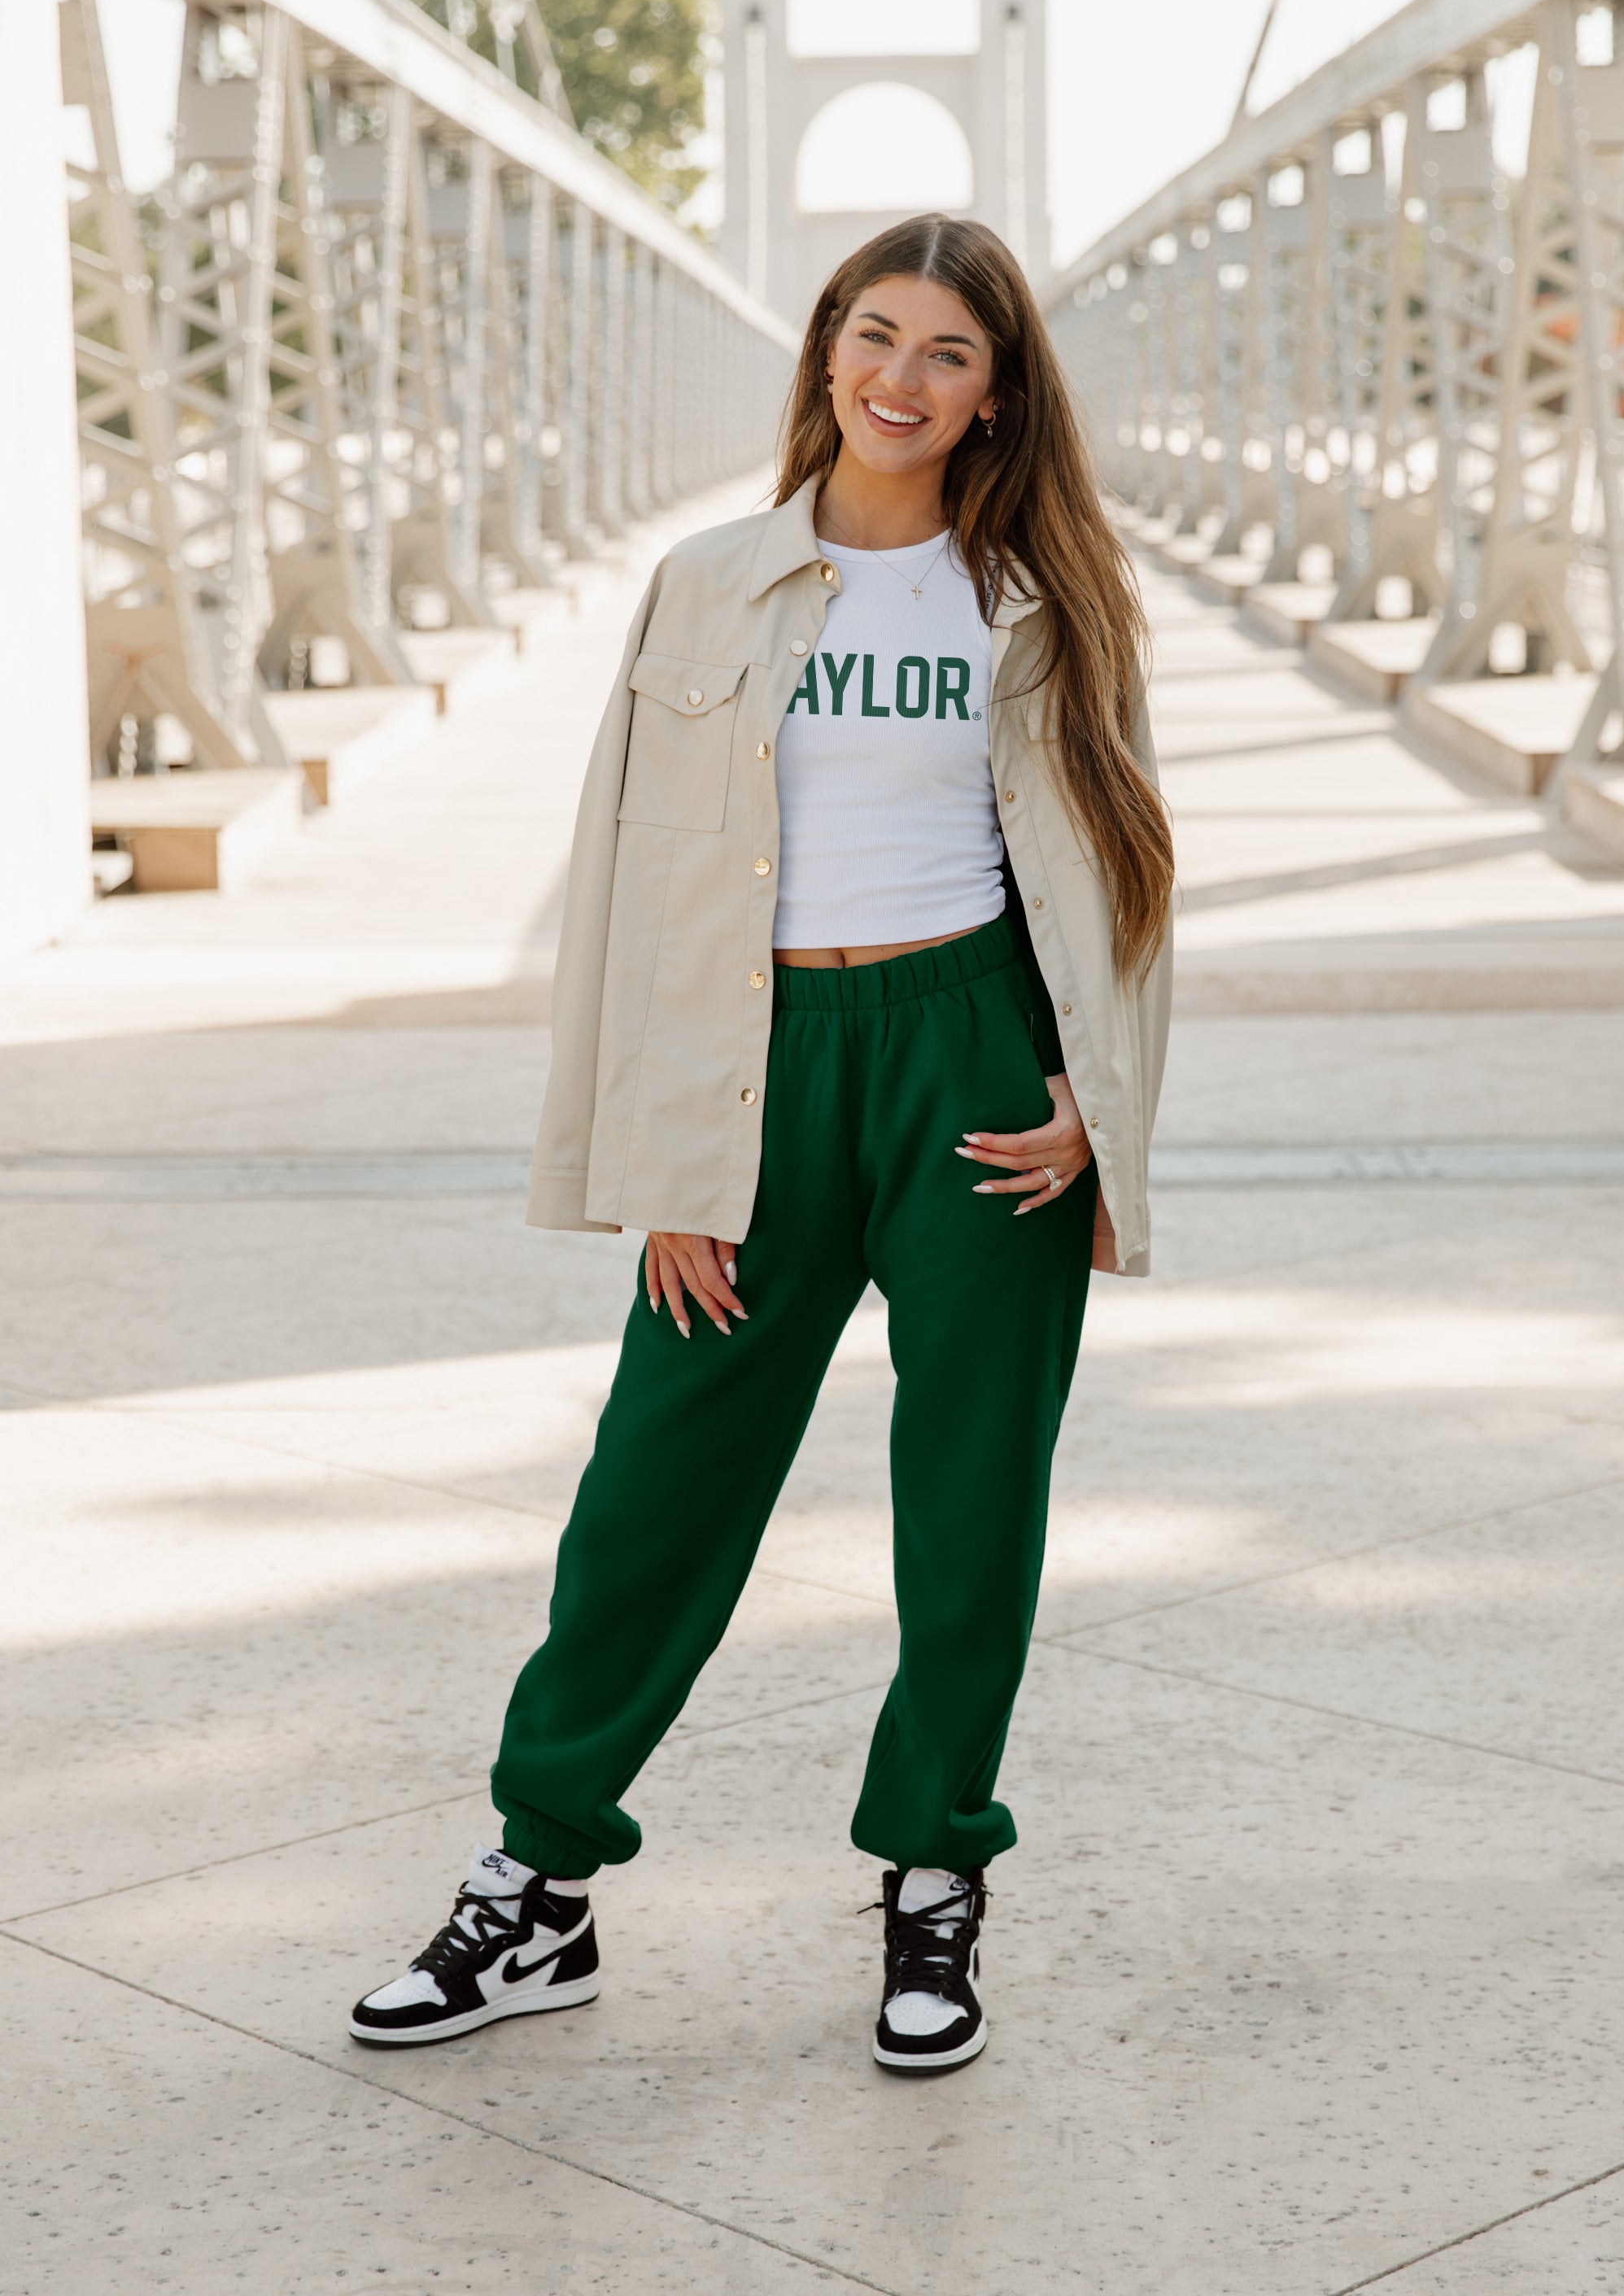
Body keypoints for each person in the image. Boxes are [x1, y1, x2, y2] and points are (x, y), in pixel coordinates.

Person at [350, 213, 1174, 2076]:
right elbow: (634, 887)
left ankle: (932, 1884)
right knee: (655, 1485)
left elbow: (1127, 863)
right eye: (872, 335)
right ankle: (537, 1882)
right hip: (759, 1065)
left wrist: (1089, 1106)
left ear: (995, 392)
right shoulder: (709, 581)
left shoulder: (1041, 595)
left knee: (971, 1510)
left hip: (971, 1062)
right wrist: (662, 1164)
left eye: (947, 352)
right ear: (822, 353)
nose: (900, 376)